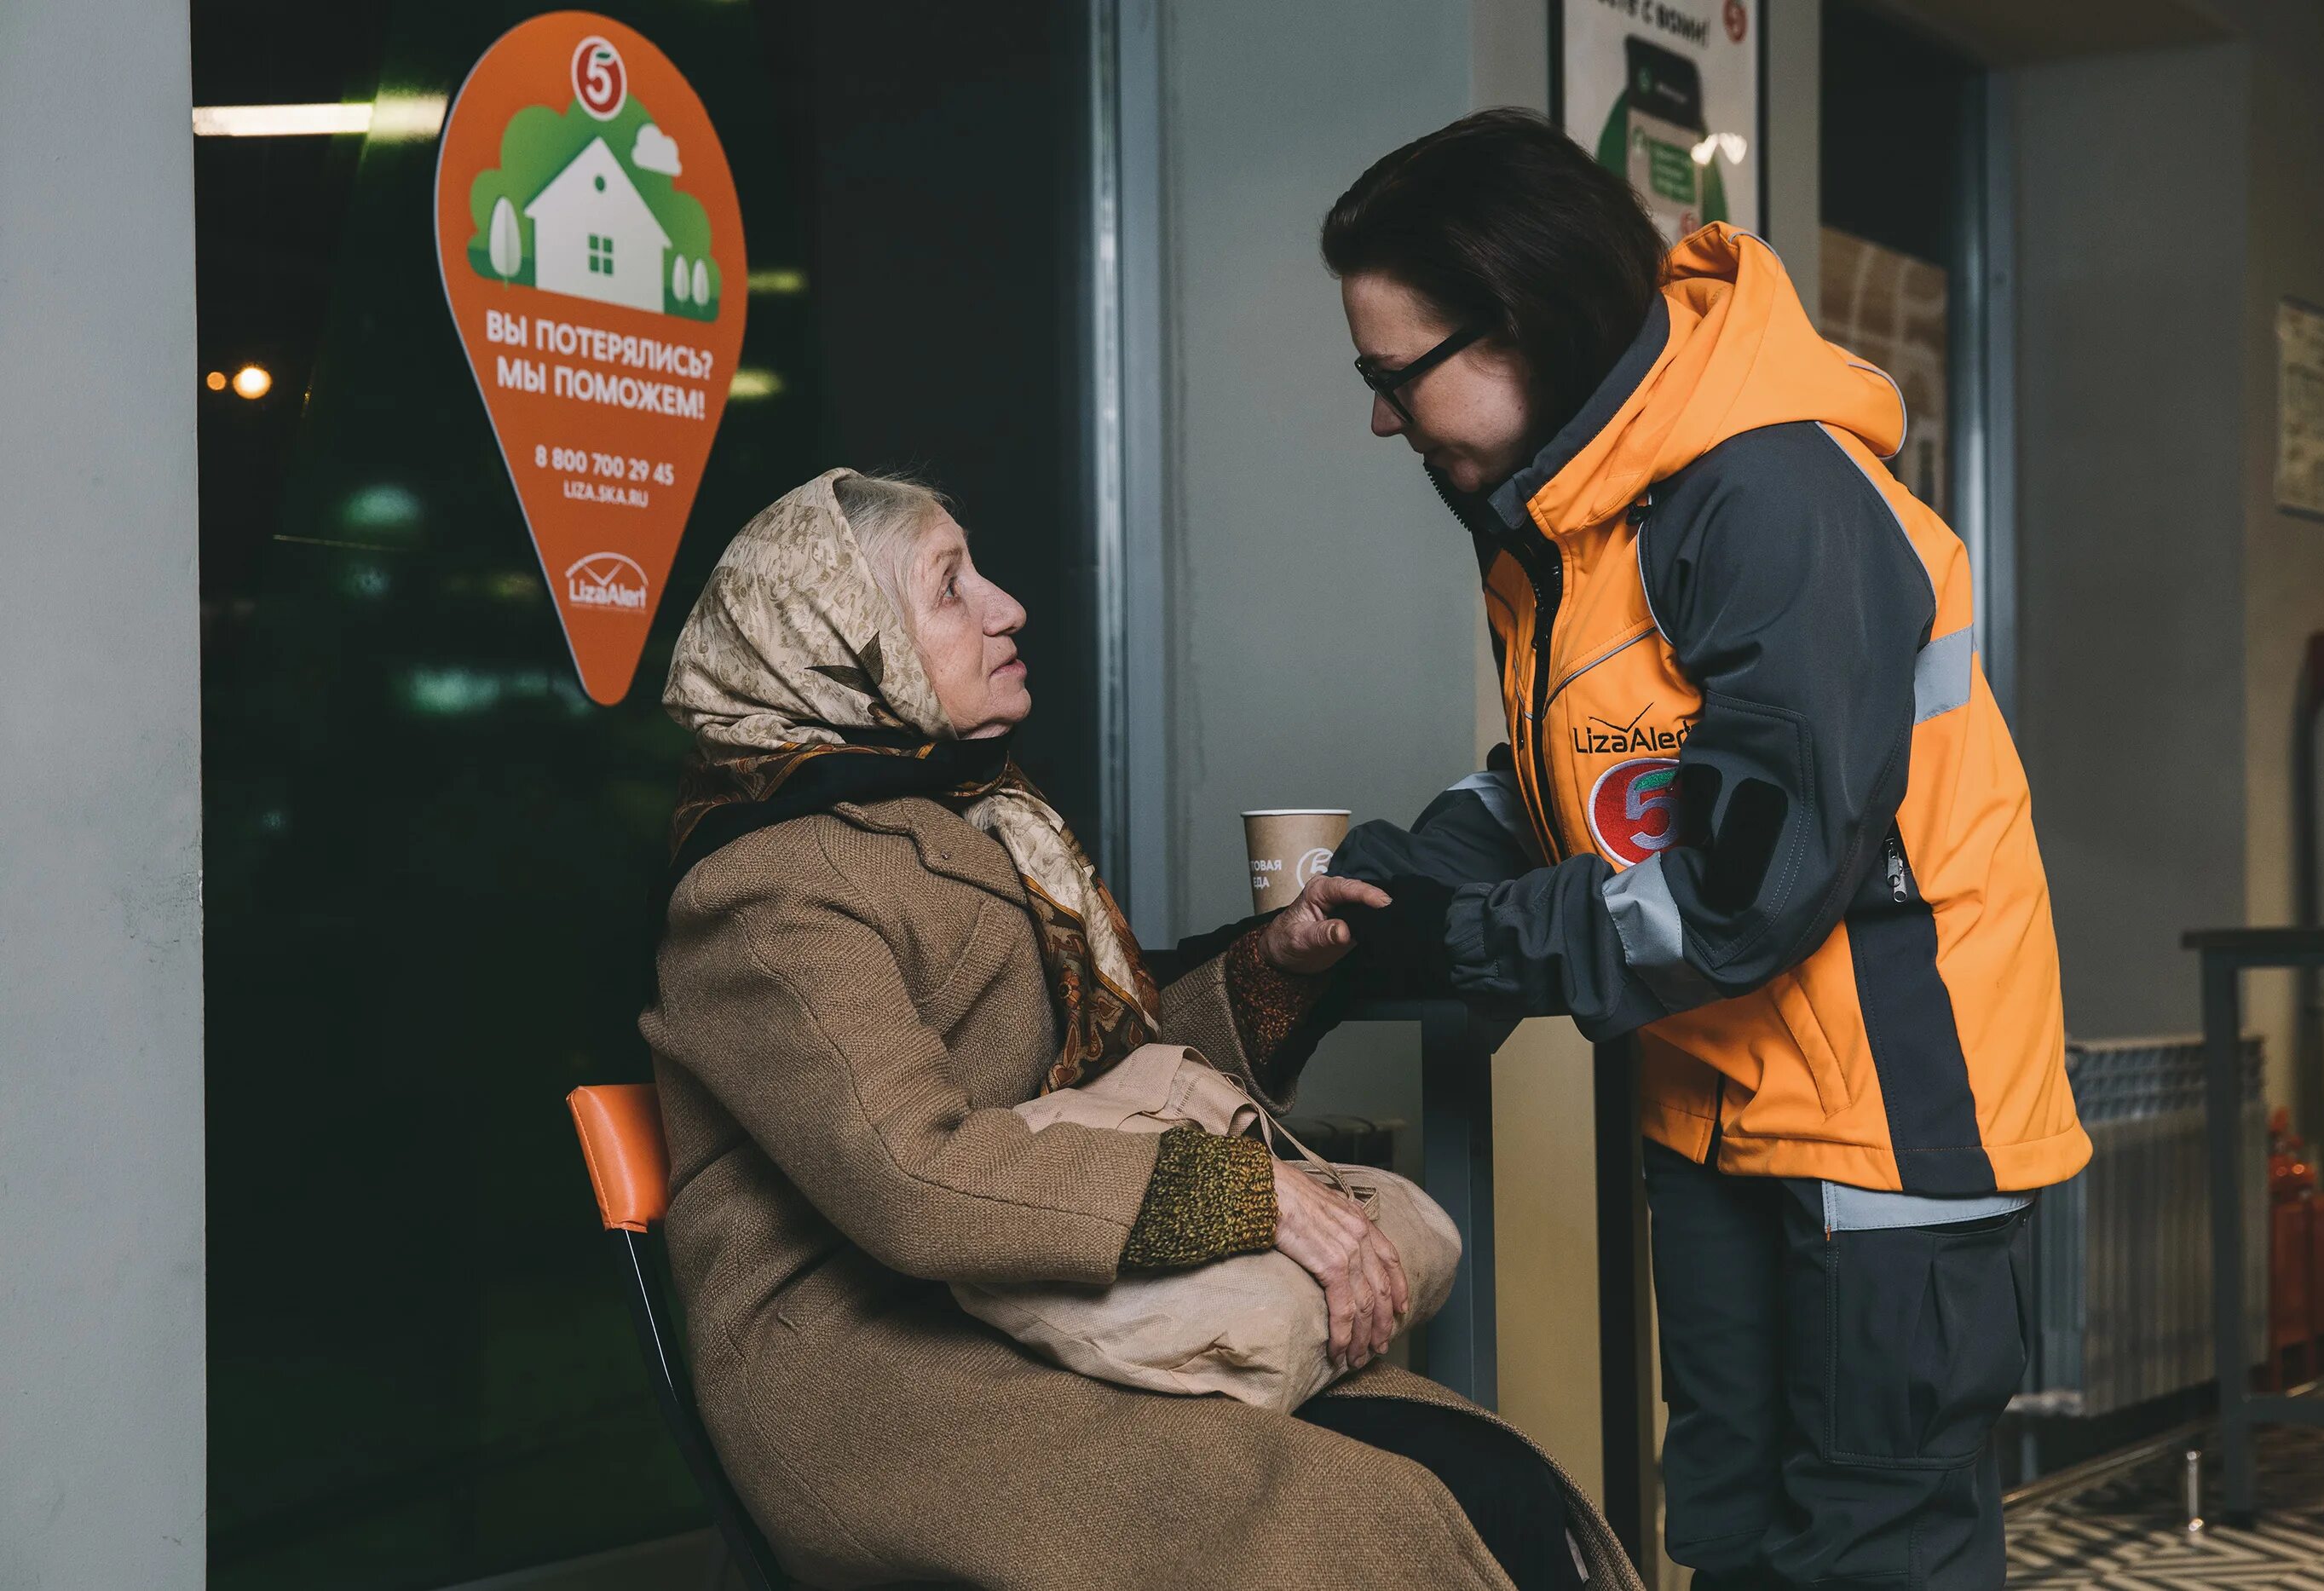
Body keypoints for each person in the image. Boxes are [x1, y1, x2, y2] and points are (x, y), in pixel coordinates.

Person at [1318, 111, 2091, 1589]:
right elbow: (1589, 787)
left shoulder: (1766, 494)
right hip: (1721, 1107)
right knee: (1731, 1537)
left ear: (1512, 319)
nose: (1381, 418)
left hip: (1889, 1126)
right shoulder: (1567, 522)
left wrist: (1463, 941)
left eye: (1388, 374)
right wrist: (1399, 879)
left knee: (1871, 1552)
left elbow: (1748, 878)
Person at [642, 468, 1635, 1591]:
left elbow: (1110, 1075)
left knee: (1484, 1479)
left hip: (1023, 1310)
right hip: (877, 1379)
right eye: (950, 586)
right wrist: (1254, 1199)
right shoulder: (771, 891)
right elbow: (916, 1180)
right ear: (843, 641)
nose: (1005, 608)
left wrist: (1277, 965)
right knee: (1364, 1516)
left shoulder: (974, 821)